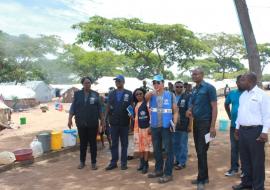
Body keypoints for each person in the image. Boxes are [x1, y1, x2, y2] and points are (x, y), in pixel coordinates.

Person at [232, 73, 270, 190]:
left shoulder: (262, 95)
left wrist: (264, 132)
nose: (240, 82)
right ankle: (246, 183)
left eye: (242, 80)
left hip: (256, 131)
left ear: (251, 81)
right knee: (244, 159)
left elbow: (267, 115)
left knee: (257, 160)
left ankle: (258, 187)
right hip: (242, 131)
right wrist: (237, 128)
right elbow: (240, 113)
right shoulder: (243, 95)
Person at [186, 68, 217, 190]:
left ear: (202, 75)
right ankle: (205, 177)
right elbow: (192, 104)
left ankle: (201, 180)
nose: (193, 76)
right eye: (192, 74)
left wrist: (212, 126)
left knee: (202, 151)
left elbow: (214, 107)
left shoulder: (209, 88)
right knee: (200, 151)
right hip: (196, 123)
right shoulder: (194, 89)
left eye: (196, 74)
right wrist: (189, 110)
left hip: (206, 123)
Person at [145, 74, 178, 183]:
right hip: (155, 126)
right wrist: (152, 92)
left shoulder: (170, 95)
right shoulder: (152, 95)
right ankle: (158, 170)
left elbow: (176, 111)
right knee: (157, 150)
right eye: (154, 83)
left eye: (158, 82)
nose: (156, 84)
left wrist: (175, 124)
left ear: (163, 83)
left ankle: (168, 174)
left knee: (169, 151)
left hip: (166, 126)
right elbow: (145, 98)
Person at [68, 77, 104, 170]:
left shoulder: (95, 94)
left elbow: (100, 109)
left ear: (91, 84)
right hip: (81, 122)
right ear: (82, 84)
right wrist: (69, 119)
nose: (87, 84)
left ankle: (93, 163)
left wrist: (102, 122)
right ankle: (82, 162)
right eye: (85, 83)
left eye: (89, 83)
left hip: (92, 123)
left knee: (93, 143)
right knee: (83, 143)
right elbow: (73, 108)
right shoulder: (77, 94)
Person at [105, 75, 133, 170]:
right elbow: (108, 106)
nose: (117, 82)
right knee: (114, 144)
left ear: (123, 82)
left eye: (119, 81)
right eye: (116, 81)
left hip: (125, 123)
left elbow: (131, 108)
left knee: (124, 144)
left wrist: (132, 122)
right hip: (113, 123)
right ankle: (113, 162)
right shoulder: (111, 93)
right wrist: (105, 119)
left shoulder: (129, 93)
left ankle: (124, 163)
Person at [224, 75, 244, 177]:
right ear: (236, 83)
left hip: (246, 126)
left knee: (245, 148)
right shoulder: (232, 93)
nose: (242, 82)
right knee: (234, 148)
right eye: (240, 81)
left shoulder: (248, 93)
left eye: (244, 80)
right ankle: (234, 168)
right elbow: (226, 104)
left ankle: (245, 170)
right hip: (234, 125)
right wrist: (229, 115)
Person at [133, 88, 152, 174]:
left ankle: (146, 164)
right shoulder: (136, 104)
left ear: (143, 94)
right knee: (140, 147)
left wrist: (150, 127)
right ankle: (141, 163)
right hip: (137, 128)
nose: (139, 96)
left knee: (146, 147)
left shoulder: (147, 104)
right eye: (137, 94)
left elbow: (150, 115)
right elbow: (136, 117)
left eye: (140, 94)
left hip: (145, 128)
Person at [174, 81, 192, 170]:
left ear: (183, 88)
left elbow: (190, 111)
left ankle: (182, 162)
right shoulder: (171, 97)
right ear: (174, 87)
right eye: (177, 86)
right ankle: (177, 160)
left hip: (183, 124)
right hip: (173, 124)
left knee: (183, 144)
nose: (179, 88)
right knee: (175, 143)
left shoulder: (187, 97)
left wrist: (190, 125)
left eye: (181, 87)